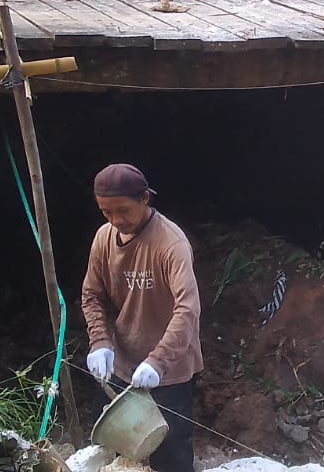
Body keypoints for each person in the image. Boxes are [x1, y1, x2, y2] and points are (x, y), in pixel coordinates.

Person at [81, 163, 203, 472]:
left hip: (169, 370)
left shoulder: (170, 244)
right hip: (122, 365)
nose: (116, 220)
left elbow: (187, 309)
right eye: (106, 212)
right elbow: (92, 294)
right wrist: (100, 342)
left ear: (145, 198)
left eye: (123, 210)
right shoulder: (104, 238)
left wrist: (158, 362)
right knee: (111, 451)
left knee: (171, 457)